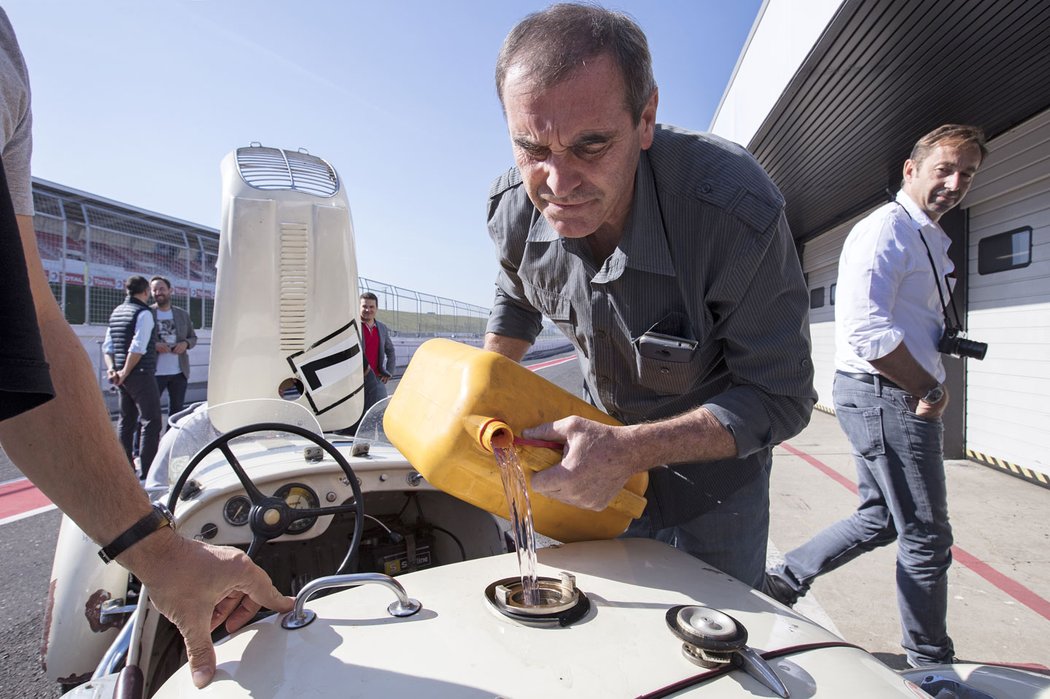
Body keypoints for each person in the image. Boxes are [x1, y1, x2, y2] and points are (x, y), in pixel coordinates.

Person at [0, 8, 291, 689]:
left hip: (149, 378)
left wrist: (155, 551)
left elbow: (30, 328)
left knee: (151, 424)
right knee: (146, 425)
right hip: (135, 375)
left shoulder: (7, 55)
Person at [483, 3, 816, 589]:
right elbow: (516, 296)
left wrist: (630, 449)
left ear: (645, 120)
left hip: (714, 491)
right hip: (592, 478)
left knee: (718, 644)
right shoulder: (513, 209)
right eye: (533, 149)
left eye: (590, 146)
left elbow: (781, 395)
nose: (558, 186)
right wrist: (483, 386)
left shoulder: (730, 210)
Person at [764, 124, 987, 667]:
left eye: (968, 174)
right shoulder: (887, 229)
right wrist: (929, 387)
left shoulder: (928, 236)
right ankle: (931, 664)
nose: (955, 183)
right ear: (911, 169)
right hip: (889, 395)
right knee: (927, 537)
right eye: (945, 169)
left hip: (895, 393)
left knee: (882, 518)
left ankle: (781, 580)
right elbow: (867, 333)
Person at [103, 275, 163, 479]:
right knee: (152, 420)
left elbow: (108, 347)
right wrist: (126, 371)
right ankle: (149, 471)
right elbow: (138, 347)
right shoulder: (143, 313)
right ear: (146, 291)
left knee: (126, 420)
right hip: (140, 373)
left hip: (121, 375)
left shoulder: (117, 312)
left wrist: (114, 370)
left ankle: (125, 468)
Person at [150, 275, 197, 419]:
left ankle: (170, 441)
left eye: (162, 289)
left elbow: (193, 337)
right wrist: (154, 345)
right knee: (148, 414)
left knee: (176, 414)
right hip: (153, 373)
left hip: (179, 372)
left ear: (170, 290)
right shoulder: (146, 313)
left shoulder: (182, 314)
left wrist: (186, 344)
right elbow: (137, 340)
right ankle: (145, 442)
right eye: (154, 290)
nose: (158, 292)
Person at [359, 292, 396, 403]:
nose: (368, 310)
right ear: (359, 307)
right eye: (364, 306)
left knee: (379, 412)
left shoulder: (382, 328)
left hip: (376, 378)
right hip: (357, 381)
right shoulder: (353, 326)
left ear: (376, 308)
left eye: (371, 307)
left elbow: (390, 351)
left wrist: (389, 371)